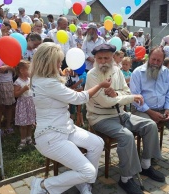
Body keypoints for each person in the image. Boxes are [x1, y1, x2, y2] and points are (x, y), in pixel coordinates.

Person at [30, 42, 111, 194]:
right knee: (89, 171)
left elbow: (55, 89)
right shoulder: (48, 83)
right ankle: (43, 185)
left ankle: (83, 182)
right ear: (49, 63)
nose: (61, 64)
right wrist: (100, 85)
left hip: (65, 128)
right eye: (58, 62)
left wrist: (61, 73)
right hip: (51, 136)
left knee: (97, 143)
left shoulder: (38, 78)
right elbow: (79, 98)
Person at [85, 43, 165, 194]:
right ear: (95, 58)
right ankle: (126, 179)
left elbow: (125, 91)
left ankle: (146, 165)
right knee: (127, 136)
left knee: (150, 125)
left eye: (106, 58)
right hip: (100, 118)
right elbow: (104, 102)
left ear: (112, 58)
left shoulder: (117, 71)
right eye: (100, 58)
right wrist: (129, 98)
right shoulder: (92, 76)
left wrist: (116, 94)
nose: (103, 61)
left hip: (120, 114)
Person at [14, 60, 36, 150]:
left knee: (30, 123)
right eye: (29, 69)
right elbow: (15, 94)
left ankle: (29, 138)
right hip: (23, 103)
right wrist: (23, 89)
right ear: (22, 70)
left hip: (30, 103)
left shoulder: (30, 80)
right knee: (23, 124)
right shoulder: (18, 82)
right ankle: (23, 140)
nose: (30, 71)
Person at [0, 62, 15, 135]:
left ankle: (8, 126)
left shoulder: (10, 58)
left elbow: (15, 70)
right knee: (0, 107)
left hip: (9, 83)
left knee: (10, 106)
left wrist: (8, 67)